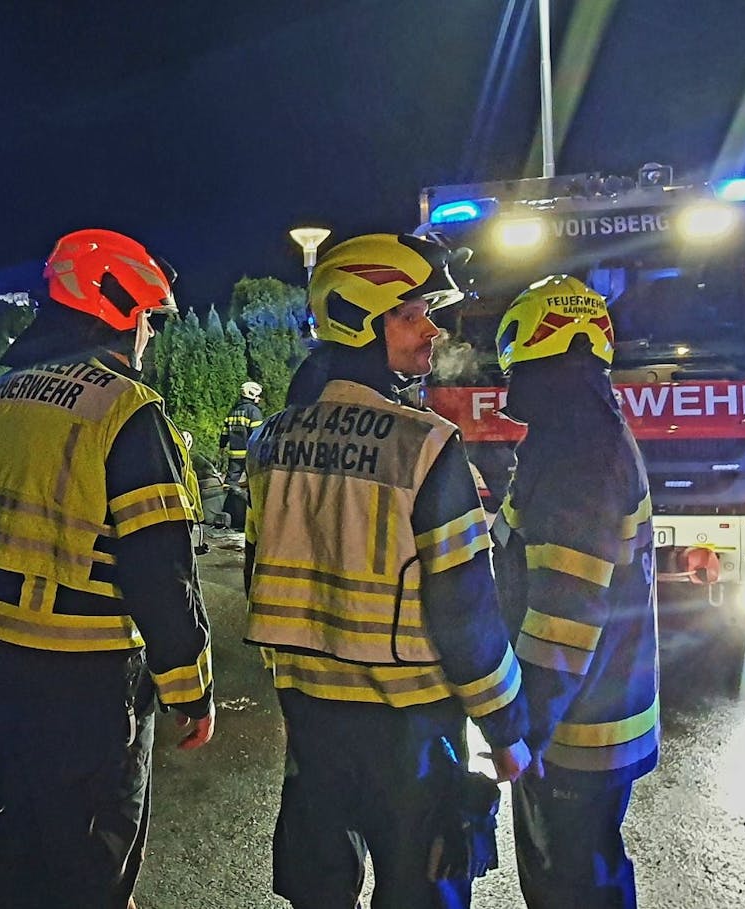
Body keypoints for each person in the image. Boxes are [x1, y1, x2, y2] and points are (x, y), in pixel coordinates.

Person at [244, 233, 531, 909]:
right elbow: (465, 609)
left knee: (320, 888)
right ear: (359, 322)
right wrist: (507, 727)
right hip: (411, 728)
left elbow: (261, 565)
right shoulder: (427, 445)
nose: (432, 330)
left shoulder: (271, 439)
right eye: (411, 314)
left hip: (310, 716)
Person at [0, 228, 215, 909]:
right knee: (91, 859)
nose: (150, 337)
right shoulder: (125, 409)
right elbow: (162, 570)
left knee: (19, 830)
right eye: (151, 319)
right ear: (121, 308)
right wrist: (190, 687)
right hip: (82, 674)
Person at [492, 275, 658, 909]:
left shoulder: (574, 452)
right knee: (587, 874)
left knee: (571, 885)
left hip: (577, 732)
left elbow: (565, 611)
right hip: (598, 713)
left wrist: (523, 730)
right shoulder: (589, 429)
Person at [218, 380, 263, 531]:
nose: (259, 399)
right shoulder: (253, 412)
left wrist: (221, 447)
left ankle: (226, 514)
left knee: (230, 483)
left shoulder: (233, 411)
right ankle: (249, 518)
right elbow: (258, 435)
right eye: (258, 396)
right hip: (250, 454)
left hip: (234, 454)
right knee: (253, 483)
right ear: (253, 395)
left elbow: (224, 432)